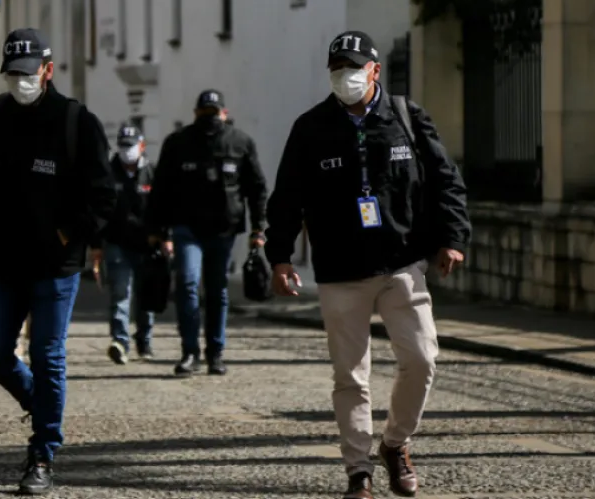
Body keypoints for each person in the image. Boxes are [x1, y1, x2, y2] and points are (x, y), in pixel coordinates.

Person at [265, 30, 470, 499]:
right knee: (351, 376)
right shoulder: (311, 127)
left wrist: (453, 239)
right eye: (338, 69)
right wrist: (279, 256)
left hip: (401, 263)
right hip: (341, 271)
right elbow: (287, 199)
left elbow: (446, 181)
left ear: (375, 70)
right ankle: (359, 470)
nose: (346, 77)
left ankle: (394, 443)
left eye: (355, 68)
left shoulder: (405, 117)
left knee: (421, 359)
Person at [0, 28, 117, 495]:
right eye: (12, 74)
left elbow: (103, 195)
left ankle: (43, 453)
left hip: (55, 266)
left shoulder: (75, 121)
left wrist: (70, 233)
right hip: (1, 262)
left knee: (47, 356)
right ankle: (42, 404)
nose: (20, 81)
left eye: (27, 74)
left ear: (48, 71)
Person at [147, 89, 267, 377]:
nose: (211, 119)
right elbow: (161, 189)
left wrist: (258, 229)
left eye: (215, 113)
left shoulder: (240, 143)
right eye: (205, 114)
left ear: (224, 114)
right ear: (195, 114)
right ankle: (190, 352)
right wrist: (157, 231)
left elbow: (256, 188)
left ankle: (215, 352)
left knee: (217, 291)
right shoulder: (178, 143)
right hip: (186, 227)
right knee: (187, 284)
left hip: (224, 229)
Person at [90, 123, 156, 363]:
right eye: (123, 146)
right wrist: (96, 246)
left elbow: (161, 208)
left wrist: (163, 237)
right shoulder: (108, 173)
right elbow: (98, 212)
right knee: (120, 293)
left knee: (146, 295)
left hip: (147, 245)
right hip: (117, 243)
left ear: (142, 146)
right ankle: (120, 341)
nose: (127, 151)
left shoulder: (152, 173)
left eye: (131, 146)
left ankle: (144, 341)